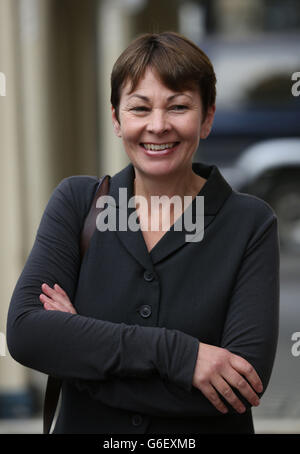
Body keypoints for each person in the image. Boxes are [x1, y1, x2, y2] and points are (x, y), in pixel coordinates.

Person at [6, 31, 279, 434]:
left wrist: (81, 362)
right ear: (117, 119)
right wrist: (183, 357)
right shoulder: (78, 202)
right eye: (139, 108)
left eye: (179, 106)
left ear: (207, 118)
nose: (158, 125)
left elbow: (237, 387)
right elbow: (27, 332)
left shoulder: (250, 223)